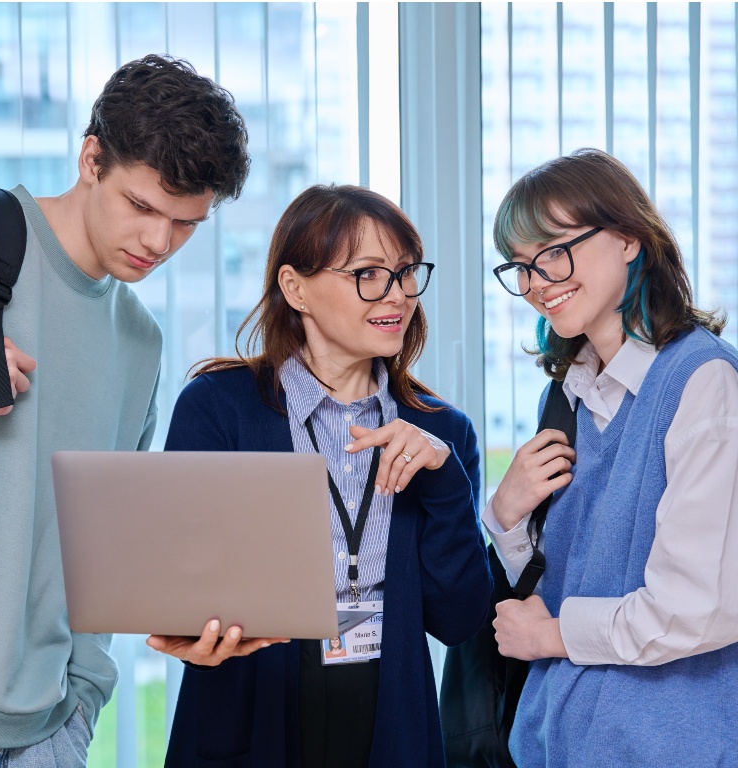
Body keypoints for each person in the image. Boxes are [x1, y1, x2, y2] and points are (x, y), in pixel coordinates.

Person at [148, 184, 491, 768]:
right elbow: (179, 592)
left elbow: (457, 620)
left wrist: (444, 481)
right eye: (368, 274)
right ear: (295, 288)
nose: (397, 295)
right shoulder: (217, 408)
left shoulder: (443, 434)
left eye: (407, 274)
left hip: (391, 726)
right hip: (248, 719)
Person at [0, 54, 249, 764]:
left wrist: (84, 701)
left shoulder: (139, 344)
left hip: (45, 736)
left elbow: (100, 556)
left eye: (186, 223)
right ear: (91, 159)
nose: (159, 243)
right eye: (142, 207)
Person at [485, 148, 738, 766]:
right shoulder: (567, 394)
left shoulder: (702, 383)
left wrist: (551, 633)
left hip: (667, 747)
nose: (537, 280)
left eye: (555, 249)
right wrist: (505, 515)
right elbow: (562, 578)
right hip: (557, 741)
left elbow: (700, 608)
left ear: (628, 238)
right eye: (519, 265)